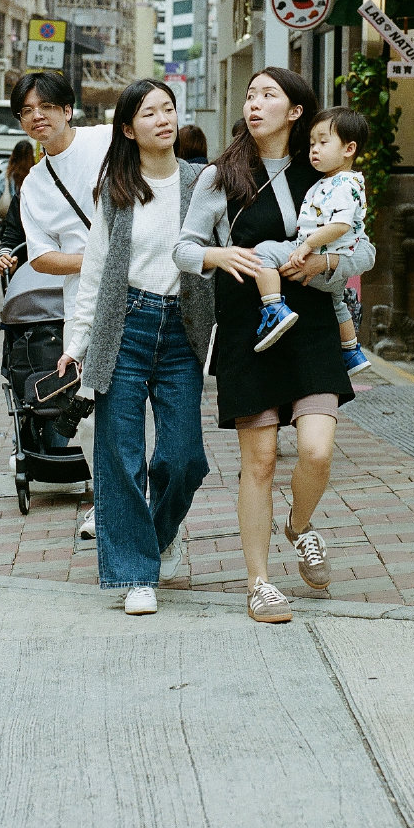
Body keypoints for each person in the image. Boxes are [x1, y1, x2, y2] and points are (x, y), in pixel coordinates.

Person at [174, 67, 353, 623]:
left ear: (296, 111)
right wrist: (217, 255)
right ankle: (259, 582)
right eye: (250, 94)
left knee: (317, 450)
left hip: (311, 323)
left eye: (268, 95)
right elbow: (183, 248)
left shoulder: (321, 171)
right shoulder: (220, 176)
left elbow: (361, 249)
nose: (254, 103)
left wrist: (323, 265)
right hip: (247, 327)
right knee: (261, 460)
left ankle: (298, 525)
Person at [58, 81, 213, 615]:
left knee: (184, 456)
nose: (163, 119)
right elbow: (96, 270)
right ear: (128, 128)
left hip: (183, 330)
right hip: (124, 325)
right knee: (120, 455)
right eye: (150, 113)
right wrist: (77, 344)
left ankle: (158, 535)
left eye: (168, 109)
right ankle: (135, 574)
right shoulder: (117, 188)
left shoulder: (202, 182)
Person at [16, 70, 112, 536]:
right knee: (88, 406)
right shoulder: (33, 185)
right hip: (85, 304)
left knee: (142, 403)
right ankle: (106, 501)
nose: (37, 116)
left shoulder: (107, 141)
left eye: (46, 107)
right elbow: (41, 257)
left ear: (68, 109)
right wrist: (98, 260)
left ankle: (144, 496)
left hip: (147, 289)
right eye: (27, 111)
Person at [247, 106, 371, 372]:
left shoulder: (344, 184)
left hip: (319, 257)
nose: (314, 149)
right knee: (338, 304)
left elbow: (340, 225)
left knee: (262, 253)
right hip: (333, 270)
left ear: (349, 149)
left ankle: (273, 309)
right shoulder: (330, 180)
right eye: (312, 143)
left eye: (323, 143)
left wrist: (308, 245)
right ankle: (351, 351)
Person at [0, 139, 34, 219]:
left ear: (14, 155)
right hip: (29, 221)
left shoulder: (5, 176)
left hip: (10, 220)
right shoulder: (34, 177)